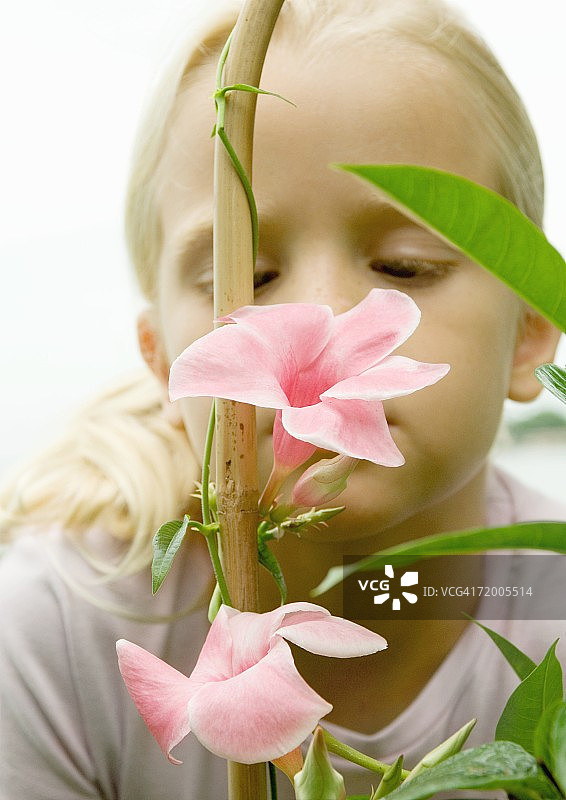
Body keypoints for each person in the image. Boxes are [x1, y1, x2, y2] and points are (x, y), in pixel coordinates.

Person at [1, 0, 564, 797]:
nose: (324, 310)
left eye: (404, 266)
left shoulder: (554, 593)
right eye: (250, 277)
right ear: (165, 365)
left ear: (533, 331)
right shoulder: (51, 630)